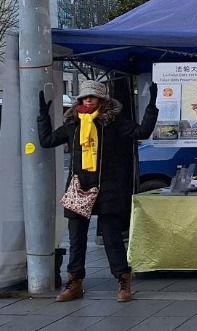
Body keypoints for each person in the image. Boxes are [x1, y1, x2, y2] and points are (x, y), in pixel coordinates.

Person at [38, 79, 159, 303]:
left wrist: (152, 105)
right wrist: (42, 115)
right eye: (84, 97)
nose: (88, 100)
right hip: (78, 187)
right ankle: (74, 283)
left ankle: (123, 281)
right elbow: (46, 141)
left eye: (92, 96)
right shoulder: (73, 124)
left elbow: (142, 131)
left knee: (112, 238)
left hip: (107, 188)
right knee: (77, 239)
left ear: (102, 100)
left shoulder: (114, 123)